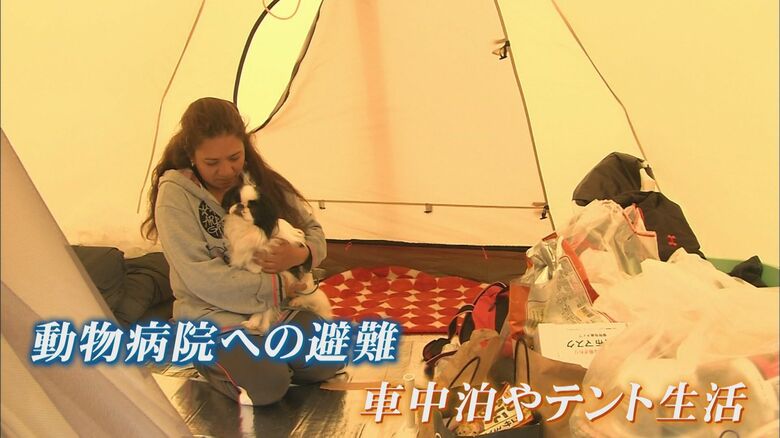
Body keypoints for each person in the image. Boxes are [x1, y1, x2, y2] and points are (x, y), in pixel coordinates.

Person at [142, 97, 341, 405]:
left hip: (272, 310)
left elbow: (314, 232)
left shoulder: (257, 180)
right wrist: (278, 285)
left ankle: (268, 356)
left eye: (234, 157)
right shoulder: (175, 196)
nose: (226, 170)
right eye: (212, 163)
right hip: (212, 313)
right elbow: (200, 277)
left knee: (329, 358)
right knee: (269, 385)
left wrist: (299, 255)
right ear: (191, 156)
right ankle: (209, 356)